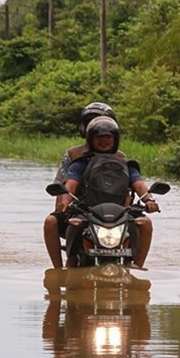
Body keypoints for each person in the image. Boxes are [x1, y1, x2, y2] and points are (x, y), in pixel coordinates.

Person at [61, 116, 160, 269]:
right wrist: (65, 202)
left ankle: (137, 266)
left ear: (115, 139)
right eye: (99, 137)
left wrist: (149, 200)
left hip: (122, 214)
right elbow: (70, 185)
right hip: (87, 212)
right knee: (69, 224)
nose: (104, 141)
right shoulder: (80, 164)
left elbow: (139, 185)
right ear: (91, 139)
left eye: (108, 137)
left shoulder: (126, 165)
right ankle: (67, 265)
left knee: (145, 223)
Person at [44, 102, 131, 269]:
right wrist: (63, 208)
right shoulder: (74, 156)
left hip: (115, 213)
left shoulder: (120, 157)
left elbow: (129, 186)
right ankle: (58, 269)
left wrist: (145, 201)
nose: (101, 130)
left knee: (142, 224)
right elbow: (65, 185)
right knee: (51, 222)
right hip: (82, 210)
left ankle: (135, 265)